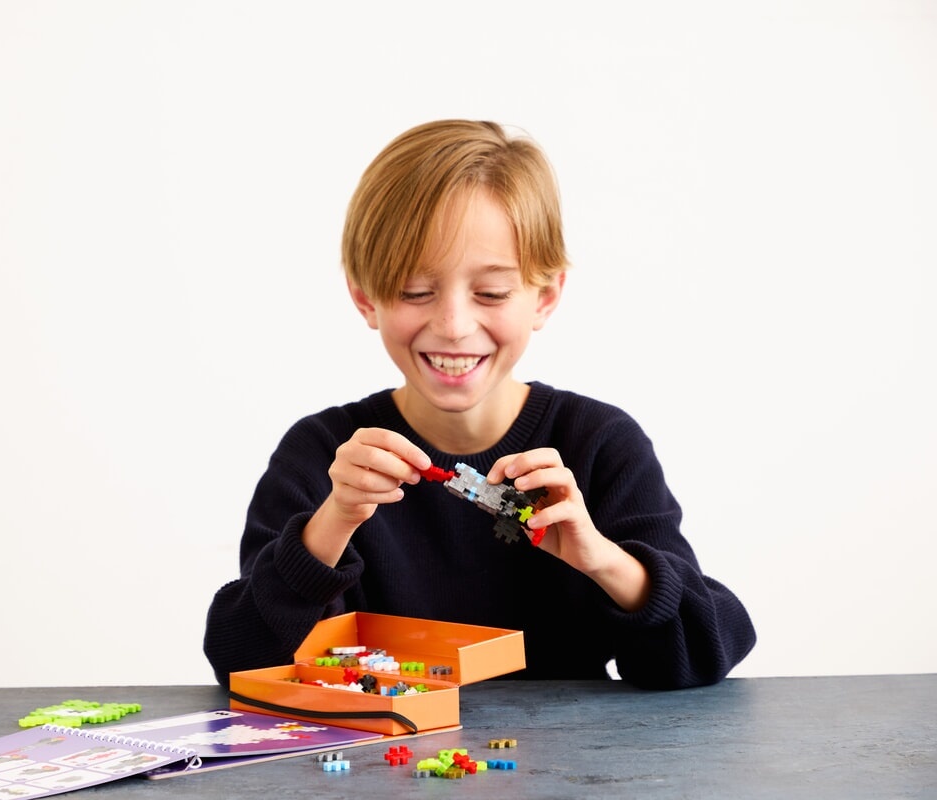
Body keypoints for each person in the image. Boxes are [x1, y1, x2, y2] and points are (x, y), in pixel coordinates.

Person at [203, 119, 755, 690]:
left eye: (491, 293)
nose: (454, 325)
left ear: (545, 297)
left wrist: (601, 557)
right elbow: (241, 663)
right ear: (365, 297)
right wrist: (331, 525)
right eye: (415, 291)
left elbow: (704, 650)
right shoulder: (322, 457)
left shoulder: (600, 445)